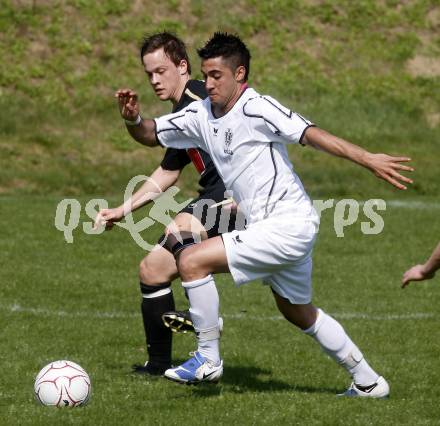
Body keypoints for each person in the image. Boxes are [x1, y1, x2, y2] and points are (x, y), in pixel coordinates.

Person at [115, 32, 414, 397]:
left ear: (239, 74)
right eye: (205, 75)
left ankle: (207, 359)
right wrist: (133, 119)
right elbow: (151, 134)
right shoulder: (200, 113)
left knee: (191, 260)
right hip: (277, 227)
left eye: (216, 76)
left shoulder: (258, 107)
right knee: (297, 310)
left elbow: (311, 134)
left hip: (287, 225)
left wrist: (367, 159)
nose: (207, 84)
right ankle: (369, 381)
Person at [96, 32, 239, 376]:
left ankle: (204, 323)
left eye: (161, 71)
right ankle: (159, 364)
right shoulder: (181, 112)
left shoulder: (201, 97)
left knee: (178, 231)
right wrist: (122, 209)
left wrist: (135, 122)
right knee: (152, 270)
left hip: (233, 196)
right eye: (149, 75)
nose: (155, 80)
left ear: (182, 66)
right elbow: (168, 172)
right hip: (211, 198)